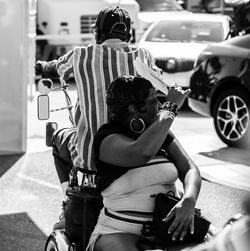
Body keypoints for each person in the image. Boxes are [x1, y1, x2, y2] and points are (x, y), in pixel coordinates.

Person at [35, 6, 163, 230]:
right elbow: (160, 83)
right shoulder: (144, 56)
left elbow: (55, 67)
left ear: (98, 34)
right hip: (136, 152)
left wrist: (43, 67)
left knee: (58, 138)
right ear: (129, 34)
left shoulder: (81, 55)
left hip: (93, 161)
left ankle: (69, 201)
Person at [86, 75, 201, 251]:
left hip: (167, 230)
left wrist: (188, 200)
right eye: (154, 100)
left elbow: (190, 169)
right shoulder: (106, 137)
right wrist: (171, 108)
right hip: (118, 231)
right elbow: (141, 153)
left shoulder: (160, 132)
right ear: (134, 108)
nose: (160, 106)